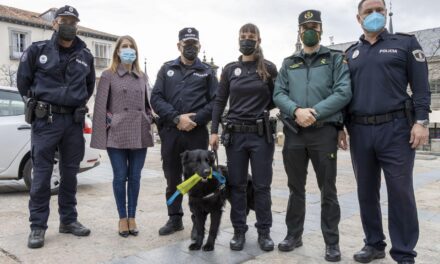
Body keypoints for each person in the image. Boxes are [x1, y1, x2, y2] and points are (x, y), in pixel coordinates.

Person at [343, 1, 431, 263]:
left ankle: (404, 252)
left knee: (400, 191)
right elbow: (344, 95)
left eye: (379, 10)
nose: (374, 15)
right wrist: (341, 127)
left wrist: (422, 121)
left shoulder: (405, 44)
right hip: (359, 130)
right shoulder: (349, 54)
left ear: (386, 13)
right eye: (368, 11)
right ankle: (373, 244)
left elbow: (422, 87)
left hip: (396, 130)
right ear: (358, 19)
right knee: (366, 191)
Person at [273, 10, 352, 262]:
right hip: (295, 133)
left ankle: (332, 242)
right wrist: (296, 110)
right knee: (295, 188)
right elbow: (279, 94)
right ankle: (293, 235)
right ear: (299, 30)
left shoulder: (335, 59)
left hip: (323, 132)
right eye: (305, 26)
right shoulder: (288, 63)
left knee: (328, 189)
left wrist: (315, 113)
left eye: (314, 26)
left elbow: (343, 92)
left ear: (320, 28)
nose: (310, 29)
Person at [16, 5, 95, 248]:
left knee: (70, 174)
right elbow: (23, 82)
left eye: (72, 21)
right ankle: (37, 226)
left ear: (77, 25)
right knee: (41, 176)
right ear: (54, 23)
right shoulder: (37, 50)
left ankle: (68, 221)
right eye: (63, 20)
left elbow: (89, 86)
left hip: (73, 121)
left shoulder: (85, 56)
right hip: (46, 121)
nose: (68, 24)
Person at [210, 23, 278, 252]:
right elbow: (220, 101)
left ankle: (264, 232)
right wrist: (214, 131)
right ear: (238, 39)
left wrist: (264, 113)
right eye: (243, 36)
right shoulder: (230, 70)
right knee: (237, 186)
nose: (246, 40)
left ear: (259, 40)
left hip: (261, 136)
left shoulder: (268, 68)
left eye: (251, 36)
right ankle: (239, 231)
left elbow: (277, 99)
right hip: (235, 137)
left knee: (262, 186)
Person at [151, 27, 218, 236]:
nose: (190, 47)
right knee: (172, 177)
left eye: (194, 44)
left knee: (199, 179)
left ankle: (198, 224)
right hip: (171, 132)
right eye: (186, 44)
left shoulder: (207, 72)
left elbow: (216, 102)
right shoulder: (166, 69)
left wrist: (195, 120)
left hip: (196, 133)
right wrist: (176, 118)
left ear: (199, 45)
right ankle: (174, 219)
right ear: (179, 45)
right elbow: (155, 98)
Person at [90, 35, 154, 237]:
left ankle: (132, 217)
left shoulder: (142, 77)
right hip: (116, 134)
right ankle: (121, 218)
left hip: (139, 132)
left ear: (136, 51)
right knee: (120, 177)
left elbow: (147, 104)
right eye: (124, 47)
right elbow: (100, 106)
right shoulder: (108, 75)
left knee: (135, 177)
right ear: (117, 51)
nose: (128, 50)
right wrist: (109, 124)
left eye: (131, 47)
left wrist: (149, 118)